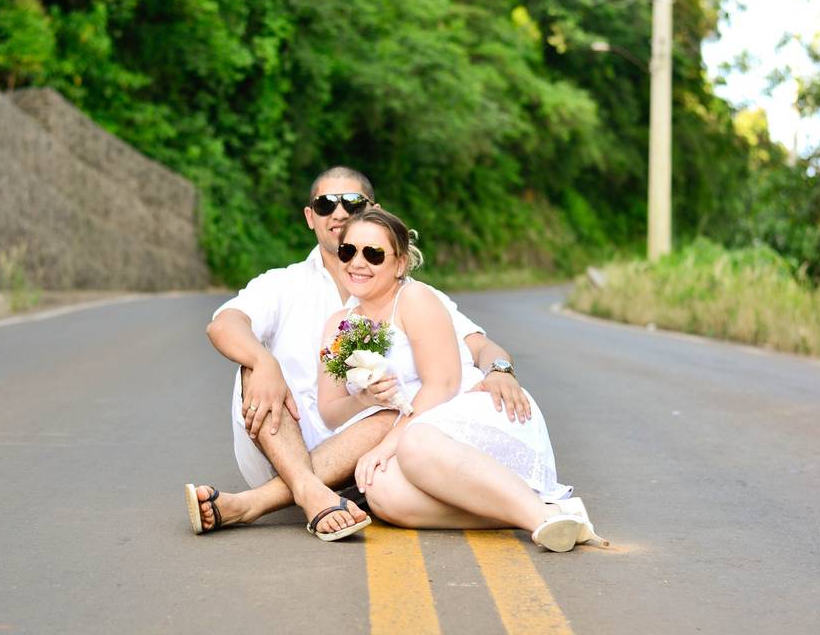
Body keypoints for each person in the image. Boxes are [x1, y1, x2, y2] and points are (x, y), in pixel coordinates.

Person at [186, 167, 533, 540]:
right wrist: (263, 360)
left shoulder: (410, 293)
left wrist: (499, 370)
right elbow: (223, 325)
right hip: (280, 444)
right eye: (324, 204)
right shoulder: (283, 284)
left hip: (370, 455)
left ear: (373, 210)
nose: (338, 213)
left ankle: (255, 503)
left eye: (351, 202)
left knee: (397, 408)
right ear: (310, 217)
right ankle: (306, 489)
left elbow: (479, 346)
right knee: (251, 368)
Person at [316, 207, 608, 551]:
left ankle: (538, 519)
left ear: (400, 263)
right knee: (382, 492)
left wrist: (383, 446)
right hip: (423, 432)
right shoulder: (339, 324)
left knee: (413, 444)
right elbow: (330, 411)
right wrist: (364, 400)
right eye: (348, 251)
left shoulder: (414, 299)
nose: (357, 262)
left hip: (470, 411)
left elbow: (442, 385)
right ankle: (556, 512)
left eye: (373, 254)